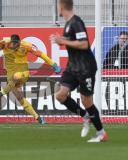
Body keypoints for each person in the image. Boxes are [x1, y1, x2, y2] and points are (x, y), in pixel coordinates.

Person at [50, 0, 108, 142]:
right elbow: (73, 41)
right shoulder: (68, 24)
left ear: (62, 7)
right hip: (73, 67)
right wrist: (61, 39)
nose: (57, 8)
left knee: (86, 101)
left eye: (58, 5)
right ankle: (85, 116)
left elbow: (84, 44)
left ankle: (101, 133)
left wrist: (63, 41)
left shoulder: (76, 22)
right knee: (60, 95)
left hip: (86, 68)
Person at [0, 34, 61, 124]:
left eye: (17, 44)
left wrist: (54, 64)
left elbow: (41, 55)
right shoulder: (5, 43)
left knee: (16, 77)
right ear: (10, 42)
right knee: (19, 98)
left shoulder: (27, 45)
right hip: (10, 75)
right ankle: (38, 118)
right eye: (13, 44)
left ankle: (1, 93)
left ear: (19, 42)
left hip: (23, 73)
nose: (16, 46)